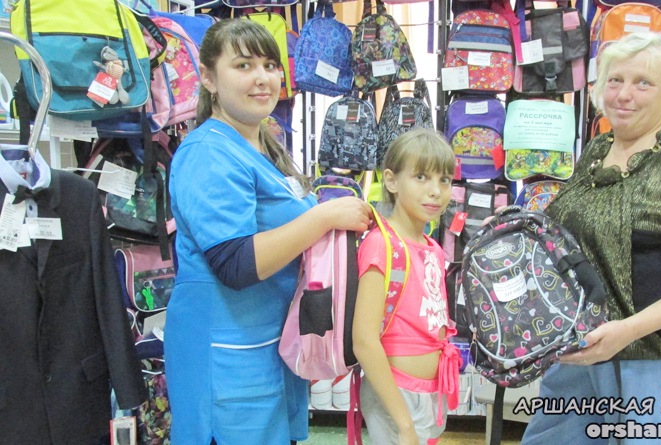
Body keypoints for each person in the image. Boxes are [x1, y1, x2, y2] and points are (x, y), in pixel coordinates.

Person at [521, 32, 661, 444]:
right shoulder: (598, 150)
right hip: (581, 351)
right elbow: (566, 236)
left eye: (643, 83)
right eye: (615, 80)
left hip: (654, 361)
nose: (624, 94)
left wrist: (625, 331)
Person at [165, 19, 371, 444]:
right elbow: (235, 264)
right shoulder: (208, 154)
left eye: (270, 65)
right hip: (227, 360)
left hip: (267, 351)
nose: (262, 78)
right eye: (243, 65)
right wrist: (324, 217)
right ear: (208, 78)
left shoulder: (261, 148)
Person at [352, 128, 461, 445]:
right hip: (396, 396)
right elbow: (364, 340)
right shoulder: (382, 245)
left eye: (444, 180)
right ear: (391, 181)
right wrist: (403, 423)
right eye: (421, 177)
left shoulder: (433, 248)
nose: (435, 191)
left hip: (431, 394)